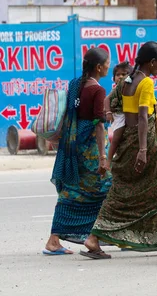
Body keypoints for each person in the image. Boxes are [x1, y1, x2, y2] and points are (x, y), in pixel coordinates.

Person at [81, 41, 157, 259]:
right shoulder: (146, 84)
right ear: (151, 63)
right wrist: (143, 150)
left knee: (122, 193)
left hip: (127, 140)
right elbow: (143, 117)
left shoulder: (126, 81)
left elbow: (116, 107)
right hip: (145, 141)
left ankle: (94, 238)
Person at [43, 47, 112, 255]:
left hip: (72, 146)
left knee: (71, 191)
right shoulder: (97, 90)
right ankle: (93, 237)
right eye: (108, 63)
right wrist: (102, 157)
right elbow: (99, 126)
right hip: (89, 149)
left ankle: (56, 239)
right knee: (105, 188)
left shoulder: (75, 84)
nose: (109, 65)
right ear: (99, 67)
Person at [101, 62, 132, 174]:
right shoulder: (115, 89)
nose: (121, 77)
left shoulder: (130, 88)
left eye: (124, 74)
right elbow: (106, 100)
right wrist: (109, 112)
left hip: (127, 116)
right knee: (116, 139)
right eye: (118, 75)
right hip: (119, 116)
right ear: (114, 78)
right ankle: (109, 160)